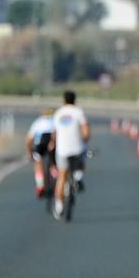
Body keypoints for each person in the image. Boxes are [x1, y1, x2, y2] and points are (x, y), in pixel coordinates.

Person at [52, 90, 91, 220]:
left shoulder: (58, 113)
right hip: (76, 148)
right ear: (75, 100)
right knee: (83, 153)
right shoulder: (79, 112)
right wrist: (84, 140)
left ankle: (59, 206)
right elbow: (86, 132)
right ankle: (79, 177)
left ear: (63, 100)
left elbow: (55, 134)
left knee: (61, 177)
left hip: (62, 149)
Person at [25, 108, 55, 197]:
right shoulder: (55, 120)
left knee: (38, 164)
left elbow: (28, 139)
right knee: (54, 163)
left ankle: (40, 185)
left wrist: (29, 152)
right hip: (52, 142)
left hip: (40, 144)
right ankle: (55, 177)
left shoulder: (37, 122)